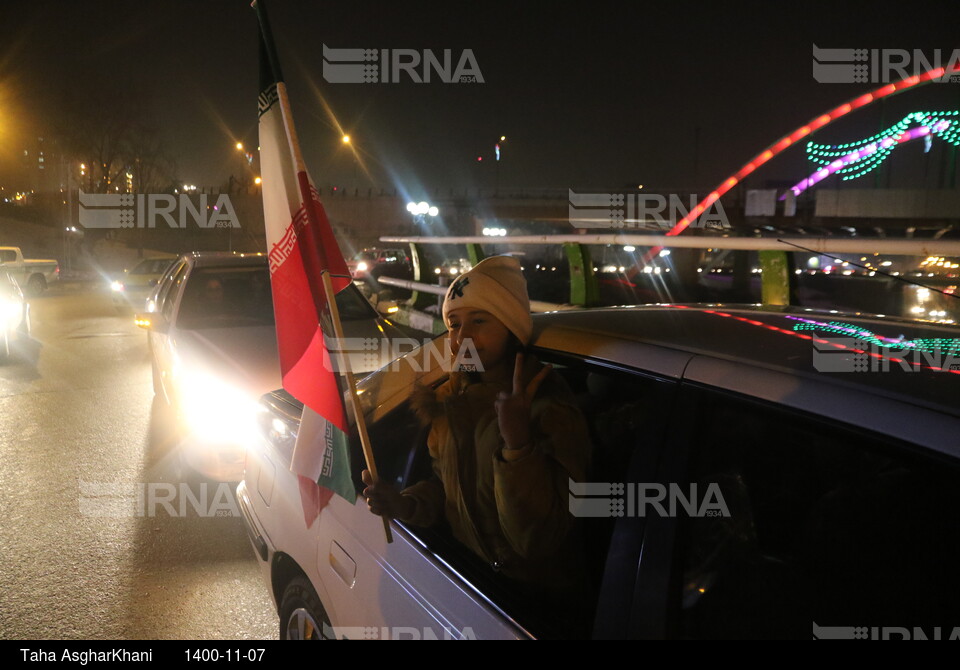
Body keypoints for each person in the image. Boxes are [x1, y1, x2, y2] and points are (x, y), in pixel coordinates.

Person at [362, 255, 592, 614]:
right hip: (472, 586)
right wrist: (406, 504)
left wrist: (518, 448)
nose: (462, 337)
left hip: (534, 603)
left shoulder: (548, 407)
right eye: (454, 324)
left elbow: (539, 541)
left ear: (512, 327)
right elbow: (449, 486)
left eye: (480, 321)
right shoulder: (449, 399)